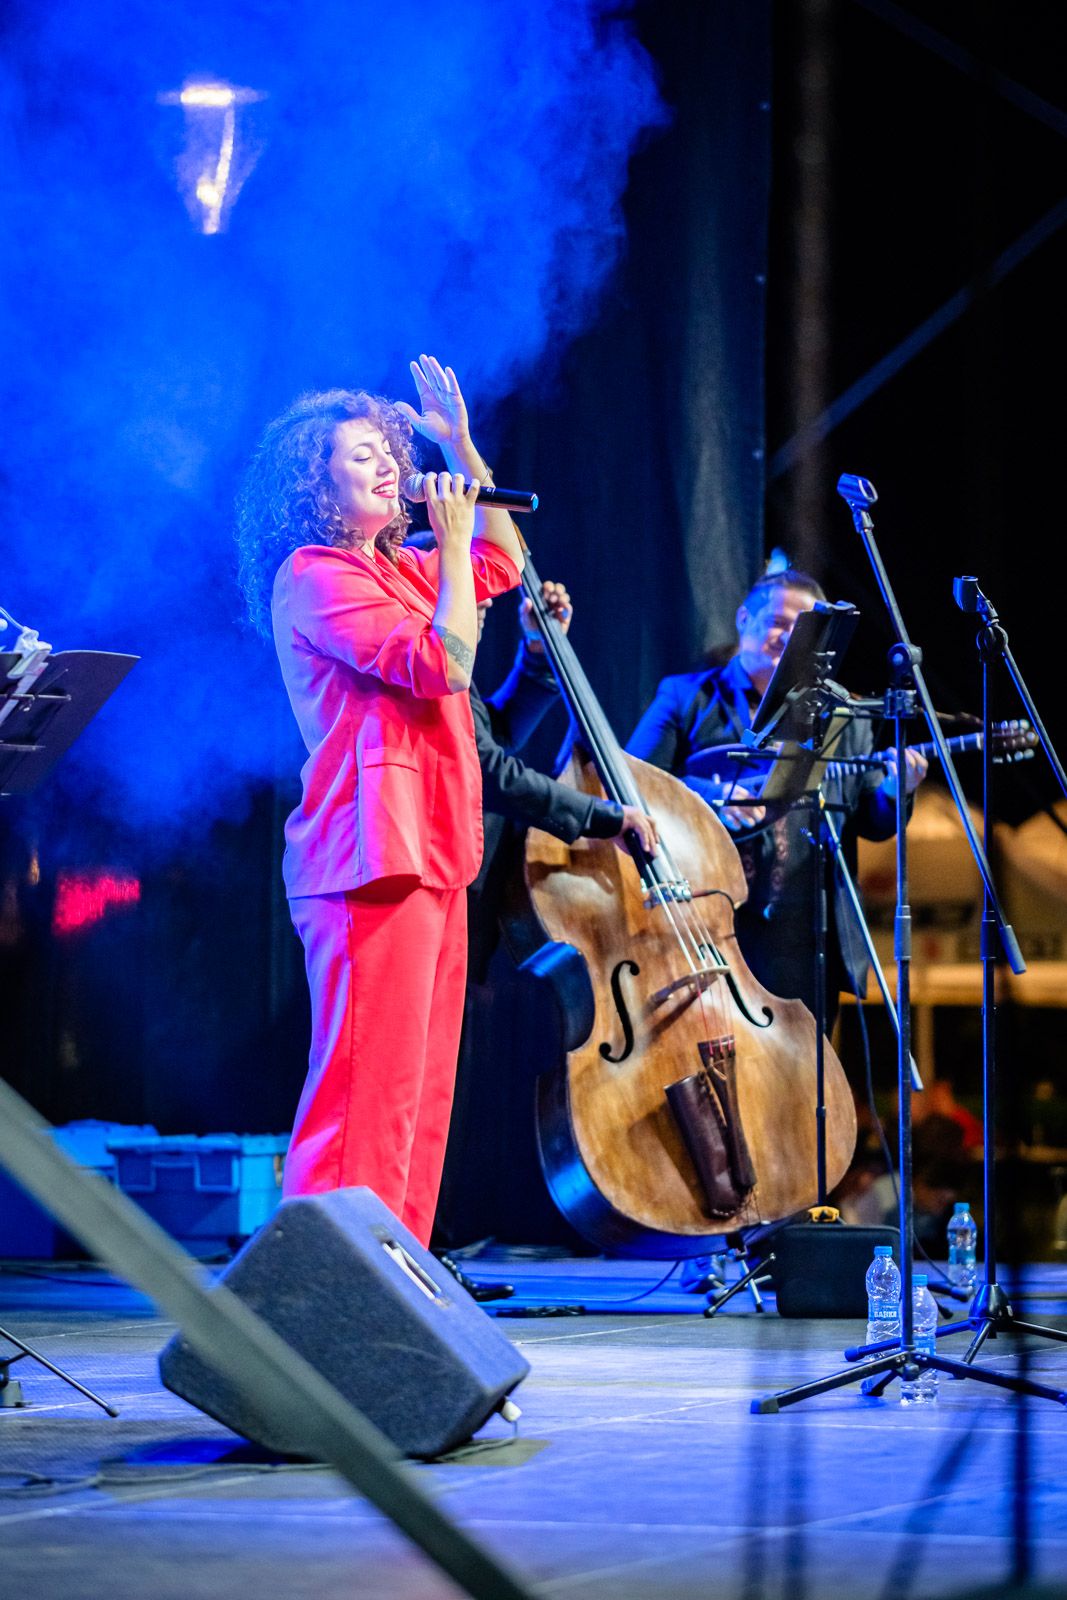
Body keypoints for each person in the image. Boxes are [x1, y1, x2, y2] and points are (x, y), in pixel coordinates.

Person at [236, 355, 524, 1247]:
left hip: (434, 848)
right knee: (363, 1095)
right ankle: (322, 1292)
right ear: (315, 485)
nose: (388, 464)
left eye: (388, 450)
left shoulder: (400, 568)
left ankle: (392, 1279)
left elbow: (501, 560)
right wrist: (451, 549)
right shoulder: (315, 574)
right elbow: (443, 662)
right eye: (360, 455)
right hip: (369, 854)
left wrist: (462, 448)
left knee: (418, 1097)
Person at [432, 579, 659, 1262]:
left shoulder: (451, 666)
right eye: (473, 598)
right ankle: (409, 1248)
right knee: (426, 1089)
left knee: (444, 1088)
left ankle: (425, 1245)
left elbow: (490, 734)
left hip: (461, 901)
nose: (482, 608)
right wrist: (602, 817)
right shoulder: (427, 654)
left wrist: (536, 658)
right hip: (434, 889)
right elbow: (487, 769)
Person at [627, 565, 928, 1022]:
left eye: (802, 630)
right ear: (744, 619)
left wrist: (895, 790)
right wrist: (710, 799)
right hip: (710, 922)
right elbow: (633, 781)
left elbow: (871, 819)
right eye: (778, 622)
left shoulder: (841, 715)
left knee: (807, 1062)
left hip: (808, 933)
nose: (788, 638)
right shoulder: (686, 697)